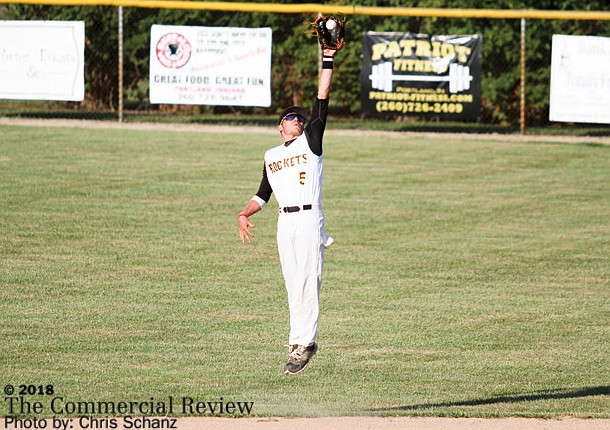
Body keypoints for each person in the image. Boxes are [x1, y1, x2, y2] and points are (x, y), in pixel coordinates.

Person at [237, 47, 338, 375]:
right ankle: (297, 341)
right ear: (281, 125)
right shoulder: (270, 155)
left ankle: (306, 342)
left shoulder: (311, 143)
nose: (300, 119)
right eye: (293, 117)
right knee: (293, 281)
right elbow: (263, 193)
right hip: (285, 222)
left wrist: (328, 57)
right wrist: (245, 213)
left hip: (309, 217)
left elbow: (322, 97)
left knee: (310, 278)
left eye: (301, 118)